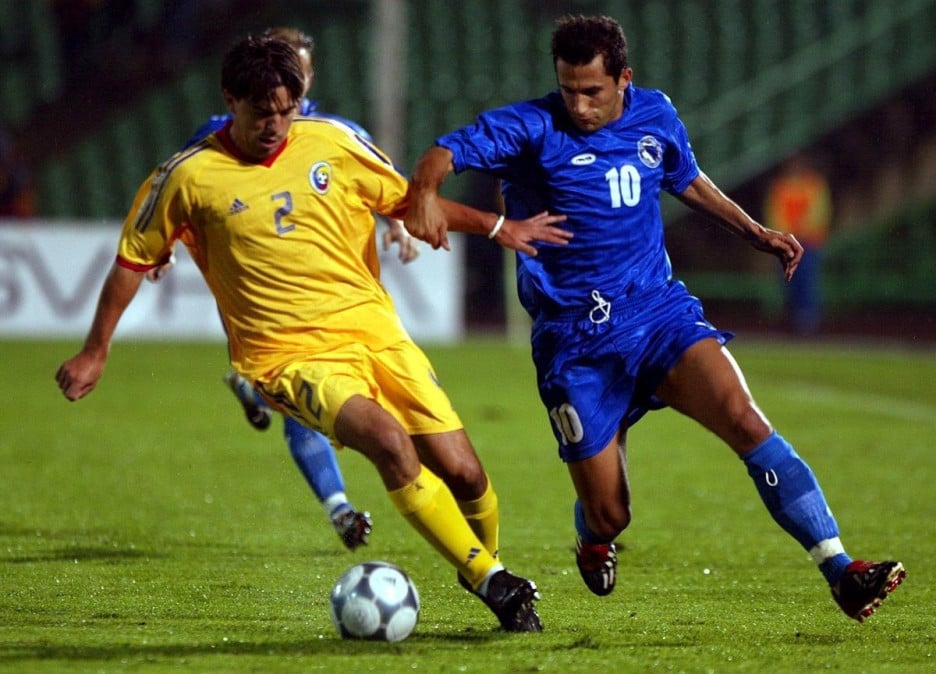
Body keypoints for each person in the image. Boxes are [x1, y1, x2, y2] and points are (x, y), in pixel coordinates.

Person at [55, 35, 572, 631]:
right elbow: (130, 261)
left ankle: (480, 566)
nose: (275, 124)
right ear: (231, 100)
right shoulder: (188, 177)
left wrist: (496, 224)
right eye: (260, 112)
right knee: (387, 442)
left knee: (467, 475)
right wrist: (96, 351)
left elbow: (409, 204)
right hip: (286, 357)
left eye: (287, 109)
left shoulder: (333, 142)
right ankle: (493, 582)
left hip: (377, 334)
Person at [405, 14, 904, 622]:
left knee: (745, 420)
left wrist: (756, 232)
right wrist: (427, 190)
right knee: (613, 513)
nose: (580, 105)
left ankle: (840, 568)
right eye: (569, 90)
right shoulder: (532, 126)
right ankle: (594, 536)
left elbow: (685, 178)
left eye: (593, 91)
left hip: (657, 312)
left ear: (624, 79)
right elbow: (444, 152)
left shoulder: (655, 114)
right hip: (575, 344)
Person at [157, 26, 420, 551]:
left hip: (347, 295)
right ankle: (340, 506)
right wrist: (160, 247)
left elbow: (384, 186)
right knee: (312, 400)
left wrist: (400, 225)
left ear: (308, 77)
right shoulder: (222, 134)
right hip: (274, 301)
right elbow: (174, 191)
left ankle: (254, 391)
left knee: (357, 404)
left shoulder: (335, 131)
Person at [763, 155, 832, 335]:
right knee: (788, 282)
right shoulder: (780, 186)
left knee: (807, 282)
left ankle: (807, 323)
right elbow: (774, 213)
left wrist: (799, 230)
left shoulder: (814, 184)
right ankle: (792, 321)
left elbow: (819, 211)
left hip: (808, 242)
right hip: (787, 244)